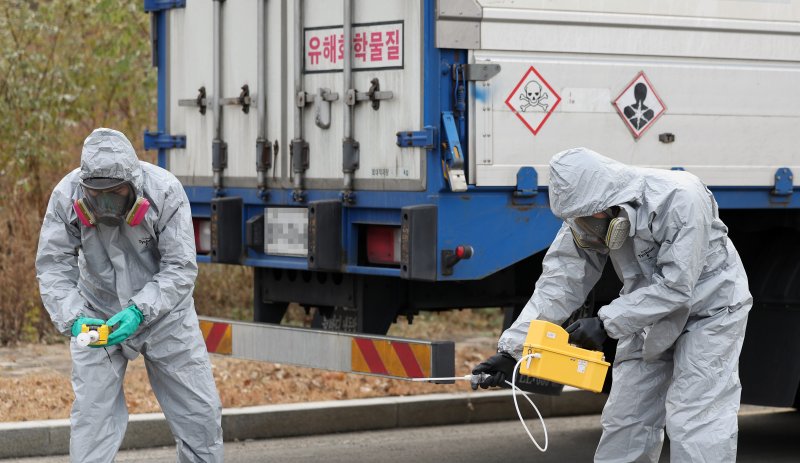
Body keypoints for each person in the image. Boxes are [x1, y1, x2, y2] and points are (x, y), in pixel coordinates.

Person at [472, 147, 751, 462]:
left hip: (711, 311)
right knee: (627, 418)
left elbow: (677, 286)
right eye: (578, 219)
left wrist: (606, 323)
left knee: (695, 417)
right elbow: (559, 284)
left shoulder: (681, 197)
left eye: (591, 217)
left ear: (612, 201)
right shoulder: (585, 214)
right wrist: (512, 350)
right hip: (643, 311)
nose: (586, 226)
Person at [35, 128, 223, 462]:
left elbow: (180, 267)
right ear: (85, 187)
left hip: (166, 316)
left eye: (116, 193)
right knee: (92, 421)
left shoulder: (164, 191)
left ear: (133, 186)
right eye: (97, 194)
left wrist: (140, 310)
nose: (106, 202)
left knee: (199, 416)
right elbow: (53, 267)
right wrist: (75, 318)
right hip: (97, 315)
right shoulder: (67, 196)